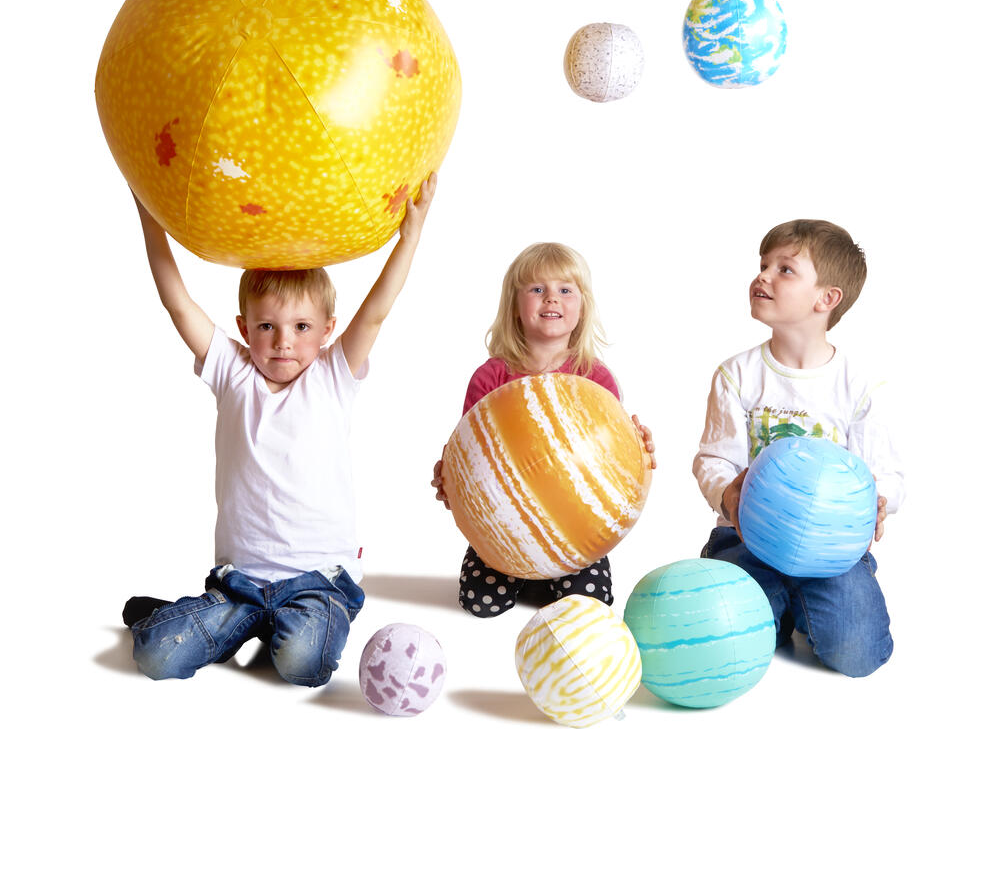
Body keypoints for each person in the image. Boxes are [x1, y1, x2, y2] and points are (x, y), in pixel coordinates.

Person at [122, 176, 437, 686]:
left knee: (302, 664)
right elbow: (177, 303)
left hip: (319, 582)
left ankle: (262, 629)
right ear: (244, 328)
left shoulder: (333, 375)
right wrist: (149, 217)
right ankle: (205, 622)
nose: (283, 342)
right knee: (156, 657)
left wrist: (410, 237)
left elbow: (376, 313)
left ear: (327, 329)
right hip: (239, 585)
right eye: (267, 326)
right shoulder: (232, 369)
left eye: (301, 327)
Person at [693, 219, 903, 677]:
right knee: (724, 644)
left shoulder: (858, 386)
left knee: (859, 655)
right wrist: (728, 494)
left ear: (826, 298)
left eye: (784, 269)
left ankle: (798, 603)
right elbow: (714, 459)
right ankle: (776, 606)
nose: (763, 276)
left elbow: (887, 474)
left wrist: (879, 499)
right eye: (763, 265)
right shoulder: (737, 375)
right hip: (748, 539)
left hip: (831, 551)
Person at [431, 242, 655, 616]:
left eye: (565, 290)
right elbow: (470, 454)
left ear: (582, 308)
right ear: (514, 307)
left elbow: (610, 461)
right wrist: (452, 479)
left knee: (589, 605)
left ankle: (550, 579)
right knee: (481, 603)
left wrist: (639, 449)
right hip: (503, 530)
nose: (551, 298)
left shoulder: (594, 378)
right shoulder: (492, 377)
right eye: (537, 289)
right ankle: (524, 577)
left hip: (576, 531)